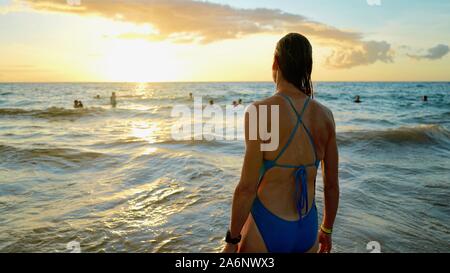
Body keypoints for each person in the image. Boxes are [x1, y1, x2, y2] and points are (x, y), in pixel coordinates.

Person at [223, 33, 339, 254]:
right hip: (307, 228)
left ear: (275, 61)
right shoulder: (326, 116)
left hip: (266, 228)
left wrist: (232, 239)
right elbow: (332, 186)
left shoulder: (260, 111)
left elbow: (246, 188)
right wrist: (327, 229)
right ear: (308, 67)